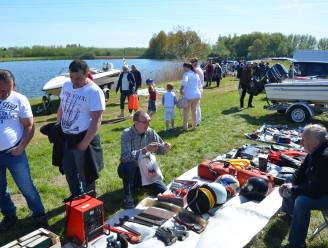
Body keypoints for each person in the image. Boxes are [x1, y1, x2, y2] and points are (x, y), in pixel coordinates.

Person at [0, 69, 47, 232]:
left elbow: (29, 126)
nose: (4, 93)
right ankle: (9, 215)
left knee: (26, 186)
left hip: (14, 153)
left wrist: (21, 148)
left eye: (8, 89)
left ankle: (39, 215)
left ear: (12, 85)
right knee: (0, 189)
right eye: (1, 90)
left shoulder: (19, 99)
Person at [57, 60, 105, 198]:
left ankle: (90, 200)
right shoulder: (66, 85)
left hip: (83, 137)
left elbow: (97, 120)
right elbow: (61, 107)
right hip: (66, 137)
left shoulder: (94, 91)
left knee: (86, 173)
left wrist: (85, 143)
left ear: (86, 74)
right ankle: (76, 195)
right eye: (71, 77)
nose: (74, 81)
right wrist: (58, 125)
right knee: (68, 169)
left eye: (78, 78)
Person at [279, 124, 328, 248]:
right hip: (319, 188)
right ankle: (289, 214)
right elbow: (300, 172)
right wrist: (290, 184)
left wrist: (293, 189)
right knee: (290, 179)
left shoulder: (324, 158)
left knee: (302, 201)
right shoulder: (315, 151)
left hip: (324, 193)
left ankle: (297, 243)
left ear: (316, 142)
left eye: (304, 139)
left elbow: (316, 191)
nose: (301, 142)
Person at [117, 110, 172, 208]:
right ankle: (128, 196)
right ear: (135, 122)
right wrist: (145, 150)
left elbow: (160, 149)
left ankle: (142, 184)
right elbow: (125, 157)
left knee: (164, 191)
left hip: (147, 169)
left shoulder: (150, 132)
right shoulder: (127, 134)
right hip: (132, 170)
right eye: (145, 122)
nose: (148, 124)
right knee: (128, 165)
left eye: (149, 121)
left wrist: (166, 148)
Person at [180, 62, 203, 130]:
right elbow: (199, 84)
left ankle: (185, 127)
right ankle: (194, 126)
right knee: (194, 110)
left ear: (187, 67)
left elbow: (185, 82)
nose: (183, 69)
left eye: (184, 67)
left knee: (186, 111)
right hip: (197, 94)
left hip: (189, 95)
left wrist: (181, 89)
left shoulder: (186, 74)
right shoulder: (196, 74)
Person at [191, 58, 204, 126]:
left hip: (198, 89)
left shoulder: (196, 70)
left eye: (192, 62)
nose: (191, 63)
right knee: (197, 105)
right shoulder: (199, 69)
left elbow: (196, 82)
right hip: (199, 89)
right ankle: (198, 120)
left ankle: (197, 121)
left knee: (196, 106)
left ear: (196, 62)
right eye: (191, 62)